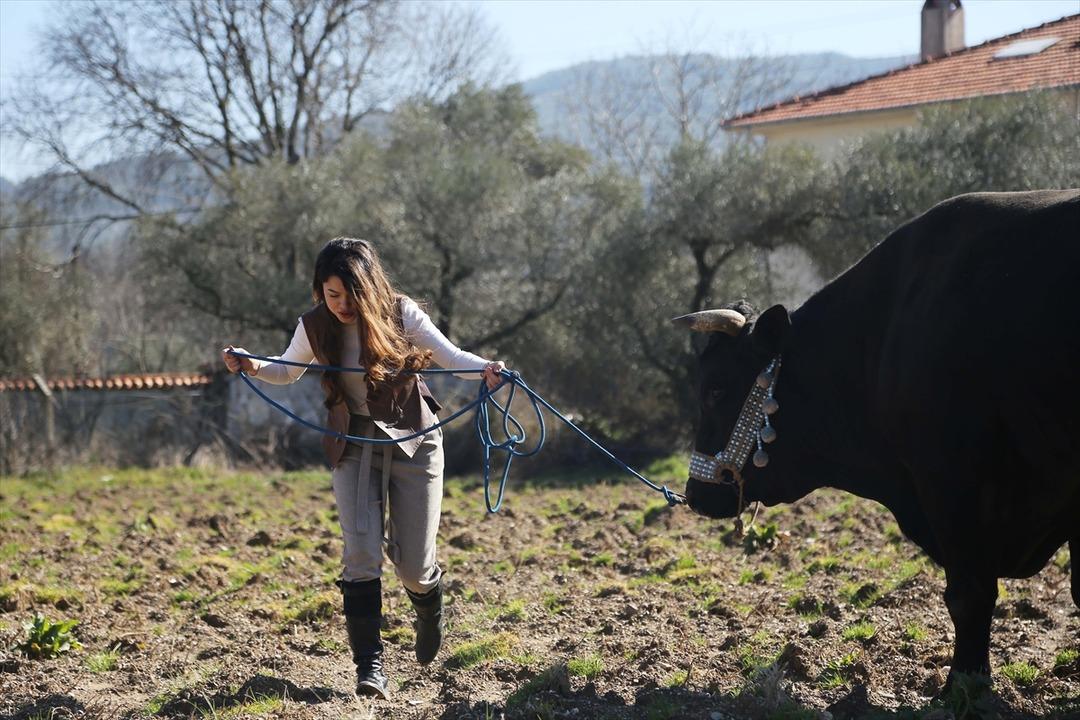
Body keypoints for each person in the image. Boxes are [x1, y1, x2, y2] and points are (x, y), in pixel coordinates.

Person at [222, 237, 505, 700]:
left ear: (369, 287)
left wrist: (487, 370)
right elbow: (286, 370)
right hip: (352, 444)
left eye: (350, 295)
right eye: (331, 295)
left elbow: (452, 359)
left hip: (414, 441)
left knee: (413, 566)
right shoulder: (314, 325)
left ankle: (428, 600)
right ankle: (370, 667)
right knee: (360, 554)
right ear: (320, 291)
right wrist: (252, 364)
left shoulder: (400, 313)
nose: (341, 305)